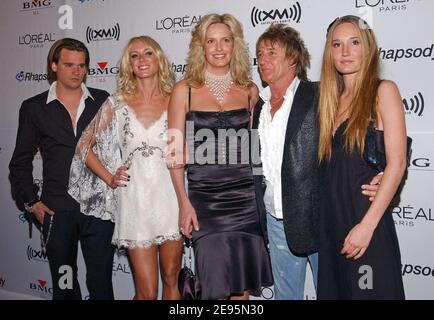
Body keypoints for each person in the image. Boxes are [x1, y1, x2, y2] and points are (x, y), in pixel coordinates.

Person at [252, 24, 381, 300]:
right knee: (286, 297)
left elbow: (367, 124)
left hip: (319, 219)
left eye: (272, 52)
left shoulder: (320, 94)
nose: (263, 60)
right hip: (275, 220)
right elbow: (256, 163)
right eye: (260, 54)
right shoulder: (259, 105)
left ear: (293, 60)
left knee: (332, 293)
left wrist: (385, 168)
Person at [68, 36, 183, 300]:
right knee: (146, 291)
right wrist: (109, 178)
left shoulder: (176, 98)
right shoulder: (117, 103)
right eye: (134, 55)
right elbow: (84, 146)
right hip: (135, 202)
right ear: (128, 64)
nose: (142, 60)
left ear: (159, 59)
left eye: (148, 53)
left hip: (171, 198)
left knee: (171, 278)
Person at [167, 13, 273, 300]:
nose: (218, 47)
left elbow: (258, 148)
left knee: (241, 290)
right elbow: (174, 155)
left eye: (225, 40)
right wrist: (183, 203)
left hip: (246, 202)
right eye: (210, 41)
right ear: (200, 47)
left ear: (235, 45)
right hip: (205, 203)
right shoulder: (183, 91)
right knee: (213, 287)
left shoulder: (251, 91)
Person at [9, 38, 114, 300]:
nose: (77, 71)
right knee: (65, 284)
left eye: (81, 66)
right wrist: (31, 202)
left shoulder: (103, 101)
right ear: (54, 66)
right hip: (58, 210)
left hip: (99, 210)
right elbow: (20, 161)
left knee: (101, 284)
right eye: (69, 65)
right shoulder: (34, 107)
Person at [317, 15, 406, 299]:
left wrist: (366, 228)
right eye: (337, 44)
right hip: (332, 224)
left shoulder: (383, 91)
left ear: (367, 47)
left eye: (354, 43)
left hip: (365, 220)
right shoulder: (330, 99)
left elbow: (398, 162)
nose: (345, 52)